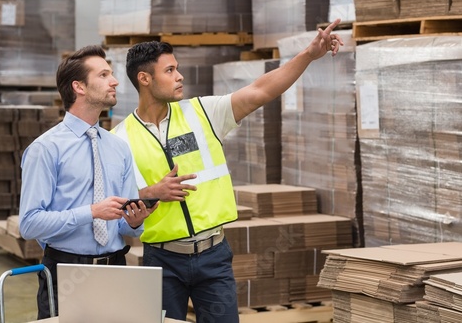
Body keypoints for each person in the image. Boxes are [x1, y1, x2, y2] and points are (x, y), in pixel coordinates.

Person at [111, 19, 344, 323]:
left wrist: (309, 55)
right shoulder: (119, 138)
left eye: (177, 68)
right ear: (144, 78)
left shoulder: (202, 113)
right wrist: (152, 193)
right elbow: (115, 201)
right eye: (169, 71)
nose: (180, 76)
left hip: (213, 257)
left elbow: (260, 90)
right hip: (161, 261)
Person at [19, 45, 158, 319]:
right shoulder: (46, 149)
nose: (115, 81)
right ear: (79, 87)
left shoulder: (118, 147)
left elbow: (124, 225)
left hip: (116, 269)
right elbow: (29, 223)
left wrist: (135, 221)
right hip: (65, 273)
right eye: (104, 75)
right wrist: (91, 212)